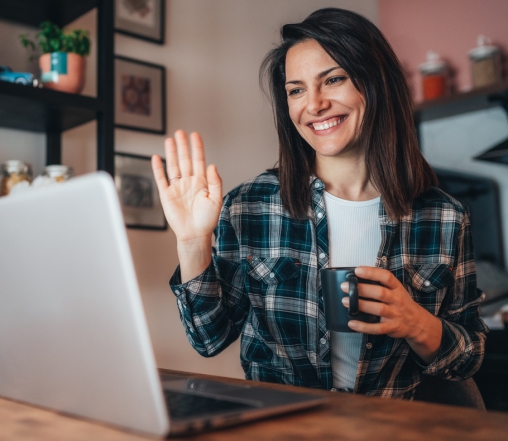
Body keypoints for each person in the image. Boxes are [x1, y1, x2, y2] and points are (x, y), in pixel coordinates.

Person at [150, 8, 487, 399]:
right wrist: (193, 244)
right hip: (283, 424)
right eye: (296, 90)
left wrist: (416, 323)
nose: (314, 104)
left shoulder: (445, 216)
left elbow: (469, 357)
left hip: (392, 426)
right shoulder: (248, 207)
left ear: (376, 83)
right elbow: (208, 339)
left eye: (334, 79)